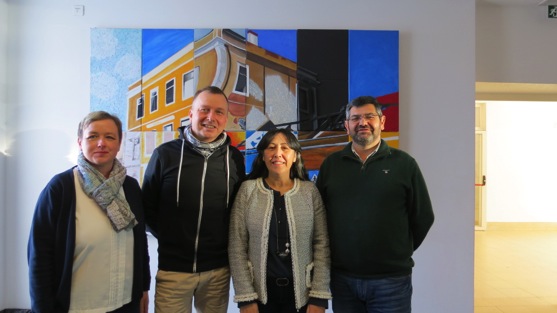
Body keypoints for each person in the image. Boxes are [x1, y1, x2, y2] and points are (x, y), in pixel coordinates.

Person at [316, 96, 435, 313]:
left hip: (391, 281)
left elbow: (423, 216)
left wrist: (396, 251)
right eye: (355, 118)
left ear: (382, 122)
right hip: (343, 280)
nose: (362, 123)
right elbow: (319, 216)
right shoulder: (331, 165)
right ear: (346, 126)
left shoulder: (404, 164)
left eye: (369, 116)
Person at [28, 111, 151, 313]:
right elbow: (39, 256)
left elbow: (140, 243)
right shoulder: (60, 188)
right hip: (77, 307)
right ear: (80, 142)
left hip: (125, 304)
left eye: (109, 137)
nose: (101, 143)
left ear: (119, 143)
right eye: (93, 136)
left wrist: (144, 287)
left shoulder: (130, 187)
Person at [142, 86, 246, 313]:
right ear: (191, 114)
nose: (211, 117)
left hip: (217, 271)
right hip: (173, 270)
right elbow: (147, 207)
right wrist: (172, 237)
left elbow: (239, 209)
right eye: (204, 110)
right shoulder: (165, 154)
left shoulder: (235, 158)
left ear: (226, 118)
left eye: (219, 112)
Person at [229, 129, 332, 313]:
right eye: (271, 148)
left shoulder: (309, 192)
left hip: (303, 296)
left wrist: (319, 296)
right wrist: (245, 298)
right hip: (260, 296)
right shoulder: (248, 190)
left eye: (285, 148)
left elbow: (322, 245)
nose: (278, 154)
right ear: (262, 156)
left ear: (295, 156)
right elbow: (237, 246)